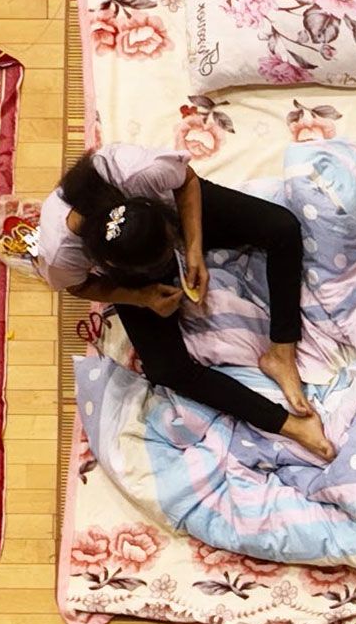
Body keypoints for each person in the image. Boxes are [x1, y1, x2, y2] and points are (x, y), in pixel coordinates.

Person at [30, 147, 335, 464]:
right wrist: (142, 296)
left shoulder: (140, 172)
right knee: (167, 370)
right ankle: (290, 426)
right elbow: (79, 287)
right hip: (131, 267)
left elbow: (186, 180)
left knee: (282, 227)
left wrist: (191, 249)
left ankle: (280, 353)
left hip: (170, 214)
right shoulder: (59, 253)